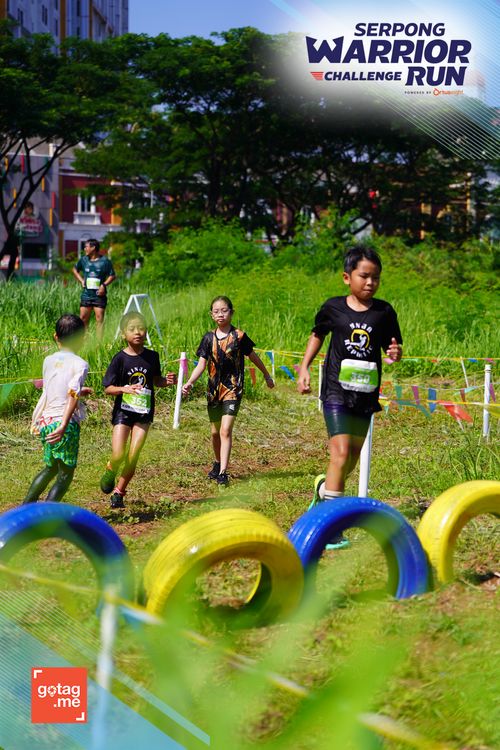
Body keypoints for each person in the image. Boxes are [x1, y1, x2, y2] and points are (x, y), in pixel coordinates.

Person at [297, 245, 402, 546]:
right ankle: (331, 528)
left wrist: (395, 353)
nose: (370, 282)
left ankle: (323, 490)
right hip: (336, 391)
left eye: (375, 278)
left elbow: (392, 347)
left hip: (365, 394)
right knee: (340, 453)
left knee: (351, 459)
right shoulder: (333, 308)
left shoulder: (384, 312)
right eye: (364, 276)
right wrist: (304, 367)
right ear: (347, 277)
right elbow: (317, 335)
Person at [182, 296, 275, 486]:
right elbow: (201, 365)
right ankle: (217, 463)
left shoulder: (239, 336)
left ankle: (223, 473)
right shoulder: (208, 338)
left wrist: (266, 375)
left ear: (231, 312)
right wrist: (189, 382)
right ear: (211, 315)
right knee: (215, 433)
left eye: (224, 310)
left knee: (225, 430)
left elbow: (253, 357)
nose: (220, 314)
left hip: (233, 388)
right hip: (213, 390)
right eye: (216, 311)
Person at [100, 312, 176, 509]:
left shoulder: (152, 357)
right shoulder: (120, 359)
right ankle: (111, 469)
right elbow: (108, 388)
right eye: (132, 329)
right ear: (123, 334)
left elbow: (156, 380)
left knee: (133, 456)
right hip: (123, 412)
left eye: (141, 328)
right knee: (118, 454)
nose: (137, 332)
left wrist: (167, 382)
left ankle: (119, 492)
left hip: (144, 412)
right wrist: (123, 389)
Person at [22, 314, 91, 504]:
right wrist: (63, 425)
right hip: (63, 424)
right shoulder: (80, 364)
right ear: (81, 338)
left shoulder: (48, 360)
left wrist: (80, 391)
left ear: (56, 336)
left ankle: (26, 508)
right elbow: (72, 394)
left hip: (46, 421)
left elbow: (57, 386)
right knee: (65, 474)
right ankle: (48, 513)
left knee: (50, 468)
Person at [72, 239, 116, 338]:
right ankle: (84, 341)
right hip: (86, 295)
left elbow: (112, 276)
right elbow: (74, 269)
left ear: (93, 248)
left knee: (99, 320)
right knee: (83, 319)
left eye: (86, 247)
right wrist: (81, 280)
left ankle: (98, 344)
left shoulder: (105, 261)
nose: (84, 249)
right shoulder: (83, 260)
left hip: (99, 295)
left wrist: (103, 285)